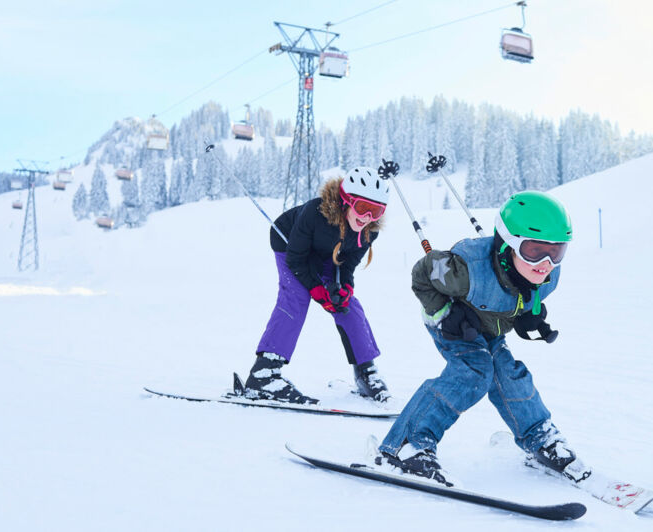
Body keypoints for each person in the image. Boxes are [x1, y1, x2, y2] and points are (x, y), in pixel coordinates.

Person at [376, 190, 583, 486]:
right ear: (509, 244)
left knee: (508, 375)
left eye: (558, 251)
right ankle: (405, 446)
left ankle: (540, 438)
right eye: (535, 251)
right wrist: (444, 313)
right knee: (474, 371)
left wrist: (526, 313)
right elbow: (423, 273)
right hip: (451, 323)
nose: (546, 262)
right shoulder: (466, 270)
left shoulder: (550, 276)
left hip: (488, 327)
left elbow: (524, 293)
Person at [236, 167, 391, 405]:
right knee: (296, 296)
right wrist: (317, 290)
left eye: (377, 211)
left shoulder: (368, 231)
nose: (368, 217)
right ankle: (263, 375)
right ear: (346, 201)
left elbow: (347, 264)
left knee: (348, 305)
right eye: (362, 208)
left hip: (327, 255)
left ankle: (365, 373)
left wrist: (344, 288)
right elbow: (296, 260)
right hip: (290, 246)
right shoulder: (314, 213)